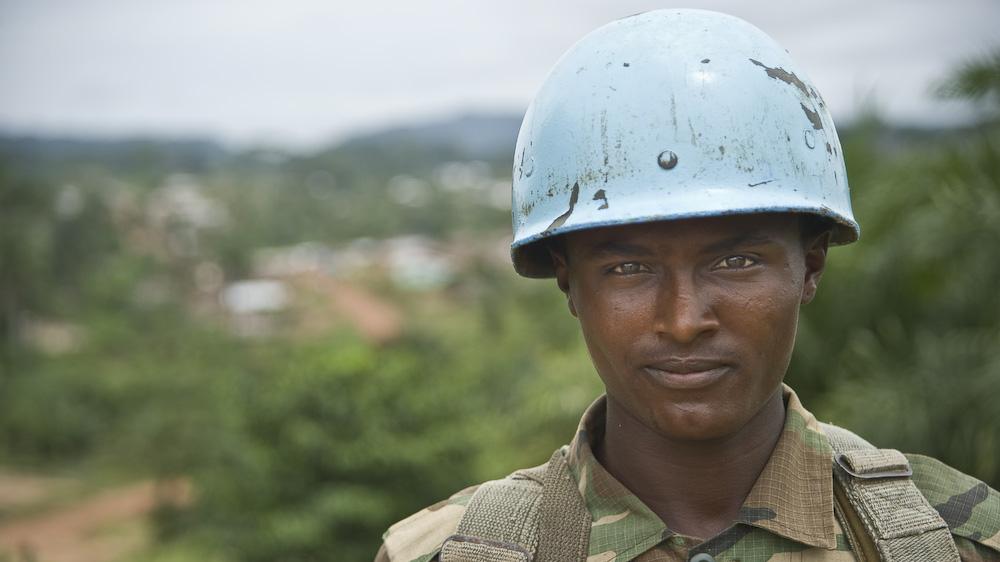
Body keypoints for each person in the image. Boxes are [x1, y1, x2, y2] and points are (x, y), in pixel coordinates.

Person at [375, 9, 1000, 562]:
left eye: (735, 262)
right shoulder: (450, 553)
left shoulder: (953, 540)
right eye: (627, 269)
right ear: (567, 282)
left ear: (810, 265)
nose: (683, 320)